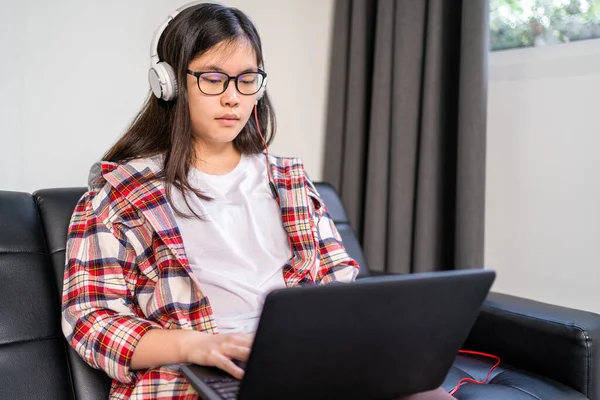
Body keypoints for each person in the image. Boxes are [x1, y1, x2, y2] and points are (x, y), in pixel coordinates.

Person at [61, 2, 454, 399]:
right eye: (213, 79)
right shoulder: (120, 194)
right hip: (195, 374)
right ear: (170, 83)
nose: (233, 98)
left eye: (246, 79)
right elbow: (91, 321)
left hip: (307, 362)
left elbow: (340, 280)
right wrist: (193, 344)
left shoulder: (289, 182)